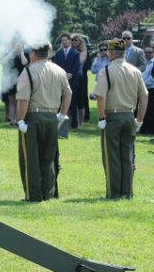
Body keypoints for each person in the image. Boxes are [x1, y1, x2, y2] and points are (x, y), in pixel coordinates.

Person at [16, 42, 72, 202]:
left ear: (33, 53)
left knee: (31, 158)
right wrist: (62, 115)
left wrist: (21, 120)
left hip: (33, 117)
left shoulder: (28, 71)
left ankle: (33, 195)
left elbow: (24, 99)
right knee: (49, 157)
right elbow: (68, 94)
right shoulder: (59, 70)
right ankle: (47, 193)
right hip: (52, 117)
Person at [94, 39, 148, 199]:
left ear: (111, 53)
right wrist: (139, 119)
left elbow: (100, 97)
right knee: (127, 155)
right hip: (129, 116)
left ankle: (114, 193)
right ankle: (127, 192)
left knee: (112, 157)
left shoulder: (106, 70)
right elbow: (144, 96)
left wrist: (101, 117)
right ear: (124, 53)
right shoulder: (135, 71)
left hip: (113, 116)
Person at [53, 33, 81, 129]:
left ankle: (74, 123)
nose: (64, 42)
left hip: (73, 80)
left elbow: (76, 65)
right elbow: (56, 66)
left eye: (65, 40)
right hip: (60, 80)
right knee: (60, 101)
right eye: (62, 41)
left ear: (69, 40)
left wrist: (70, 74)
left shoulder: (76, 53)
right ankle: (59, 122)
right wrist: (63, 75)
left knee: (73, 102)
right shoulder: (58, 53)